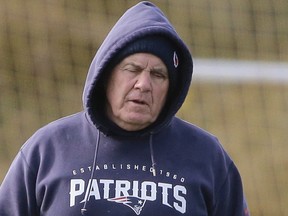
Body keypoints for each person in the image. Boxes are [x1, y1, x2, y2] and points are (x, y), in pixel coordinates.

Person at [0, 1, 250, 216]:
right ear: (106, 75)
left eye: (158, 74)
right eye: (132, 69)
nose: (144, 84)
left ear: (171, 87)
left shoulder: (207, 156)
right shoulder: (47, 149)